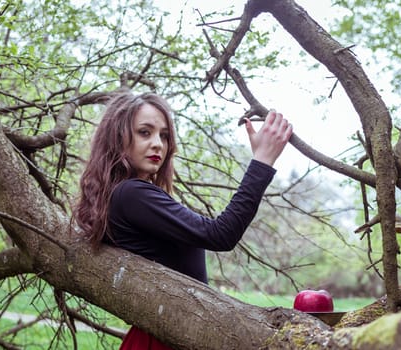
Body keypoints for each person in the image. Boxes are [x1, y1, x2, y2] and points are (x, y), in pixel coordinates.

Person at [73, 92, 292, 349]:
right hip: (163, 339)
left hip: (165, 333)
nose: (158, 144)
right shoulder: (131, 194)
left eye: (164, 136)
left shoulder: (120, 196)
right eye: (145, 132)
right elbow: (220, 234)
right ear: (117, 138)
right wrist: (262, 161)